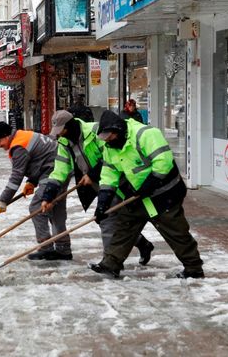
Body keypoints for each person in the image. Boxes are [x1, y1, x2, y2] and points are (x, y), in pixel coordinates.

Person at [89, 110, 204, 279]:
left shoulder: (146, 134)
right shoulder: (110, 147)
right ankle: (111, 264)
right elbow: (109, 174)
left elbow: (163, 162)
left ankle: (193, 268)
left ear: (118, 130)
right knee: (124, 228)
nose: (107, 142)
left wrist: (149, 185)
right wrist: (103, 202)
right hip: (137, 195)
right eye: (104, 139)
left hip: (164, 194)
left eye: (109, 137)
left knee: (176, 232)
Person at [40, 110, 154, 264]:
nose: (60, 135)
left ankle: (110, 262)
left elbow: (112, 157)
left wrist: (92, 175)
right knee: (115, 218)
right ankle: (141, 244)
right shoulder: (64, 143)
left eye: (62, 130)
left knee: (107, 218)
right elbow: (59, 171)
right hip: (100, 185)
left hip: (118, 181)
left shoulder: (97, 132)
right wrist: (48, 196)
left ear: (70, 125)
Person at [0, 121, 72, 260]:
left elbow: (15, 178)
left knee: (37, 207)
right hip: (60, 167)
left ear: (7, 136)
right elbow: (39, 159)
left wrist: (3, 201)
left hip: (54, 172)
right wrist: (32, 181)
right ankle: (63, 249)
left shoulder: (18, 147)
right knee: (54, 209)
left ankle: (46, 247)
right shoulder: (22, 135)